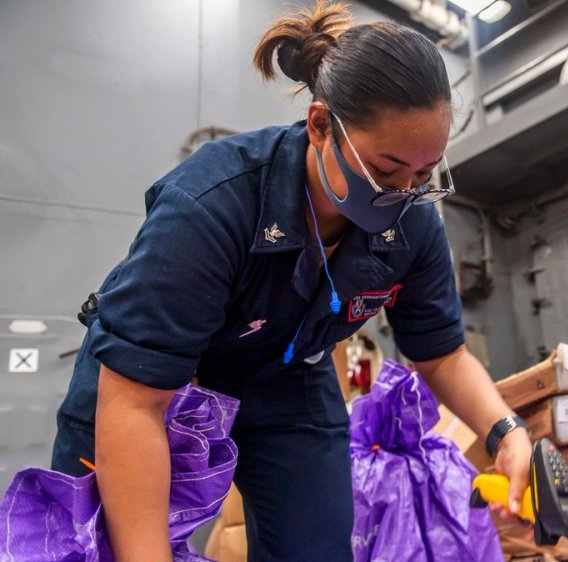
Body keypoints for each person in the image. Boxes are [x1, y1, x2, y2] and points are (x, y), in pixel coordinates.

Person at [51, 3, 531, 560]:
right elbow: (134, 404)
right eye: (385, 170)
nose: (402, 193)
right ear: (321, 126)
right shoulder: (211, 203)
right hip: (150, 385)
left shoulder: (414, 223)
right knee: (102, 548)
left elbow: (442, 355)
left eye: (423, 175)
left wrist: (506, 432)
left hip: (285, 382)